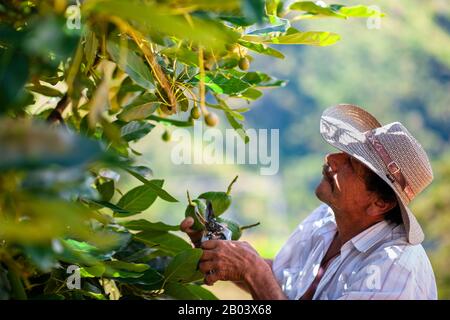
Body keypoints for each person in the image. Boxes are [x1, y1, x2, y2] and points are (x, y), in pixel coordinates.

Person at [180, 104, 437, 300]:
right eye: (344, 152)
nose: (332, 159)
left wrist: (252, 270)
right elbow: (281, 282)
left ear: (380, 203)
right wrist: (221, 249)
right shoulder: (326, 220)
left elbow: (263, 280)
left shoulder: (395, 271)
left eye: (351, 164)